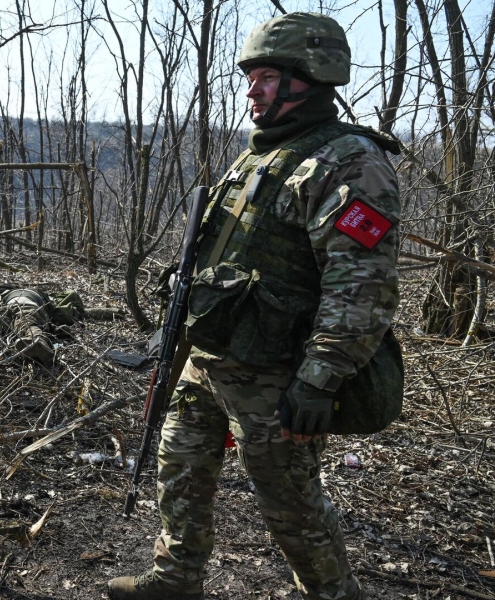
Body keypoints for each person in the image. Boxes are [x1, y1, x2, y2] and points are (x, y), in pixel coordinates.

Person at [108, 12, 400, 600]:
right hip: (212, 356)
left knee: (289, 503)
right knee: (181, 467)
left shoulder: (348, 163)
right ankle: (176, 577)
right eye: (251, 76)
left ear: (311, 78)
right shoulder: (259, 158)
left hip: (276, 373)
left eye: (267, 76)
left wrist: (319, 382)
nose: (252, 89)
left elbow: (361, 288)